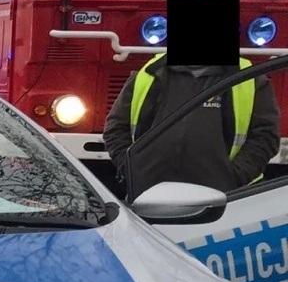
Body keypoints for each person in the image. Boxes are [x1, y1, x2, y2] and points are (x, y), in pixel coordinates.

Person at [104, 51, 278, 198]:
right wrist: (133, 171)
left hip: (221, 203)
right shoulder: (149, 74)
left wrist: (232, 177)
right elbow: (116, 129)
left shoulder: (249, 78)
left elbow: (265, 137)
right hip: (148, 199)